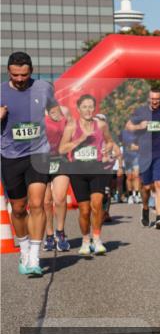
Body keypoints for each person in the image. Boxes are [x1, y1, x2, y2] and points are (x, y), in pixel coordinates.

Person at [1, 52, 57, 275]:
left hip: (38, 153)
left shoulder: (44, 87)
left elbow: (54, 108)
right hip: (10, 155)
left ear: (31, 71)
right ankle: (24, 248)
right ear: (9, 72)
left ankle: (34, 256)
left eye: (24, 75)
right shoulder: (1, 90)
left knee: (37, 204)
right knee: (18, 208)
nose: (20, 79)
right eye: (15, 75)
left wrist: (55, 114)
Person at [58, 95, 119, 256]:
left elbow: (110, 141)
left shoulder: (101, 124)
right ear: (78, 109)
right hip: (78, 171)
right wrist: (80, 139)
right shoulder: (71, 126)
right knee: (84, 210)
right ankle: (86, 240)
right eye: (84, 107)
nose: (88, 110)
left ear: (94, 108)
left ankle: (97, 239)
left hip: (97, 169)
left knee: (97, 204)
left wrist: (108, 148)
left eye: (91, 107)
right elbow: (62, 149)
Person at [126, 88, 160, 228]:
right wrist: (139, 125)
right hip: (144, 154)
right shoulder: (140, 111)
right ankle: (145, 208)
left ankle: (159, 217)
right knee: (146, 187)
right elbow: (128, 126)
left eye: (157, 99)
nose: (154, 101)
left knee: (159, 184)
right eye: (152, 99)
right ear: (148, 98)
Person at [43, 101, 72, 252]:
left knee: (60, 198)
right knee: (46, 202)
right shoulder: (36, 113)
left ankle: (60, 233)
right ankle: (49, 235)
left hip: (61, 159)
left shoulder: (64, 112)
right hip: (41, 161)